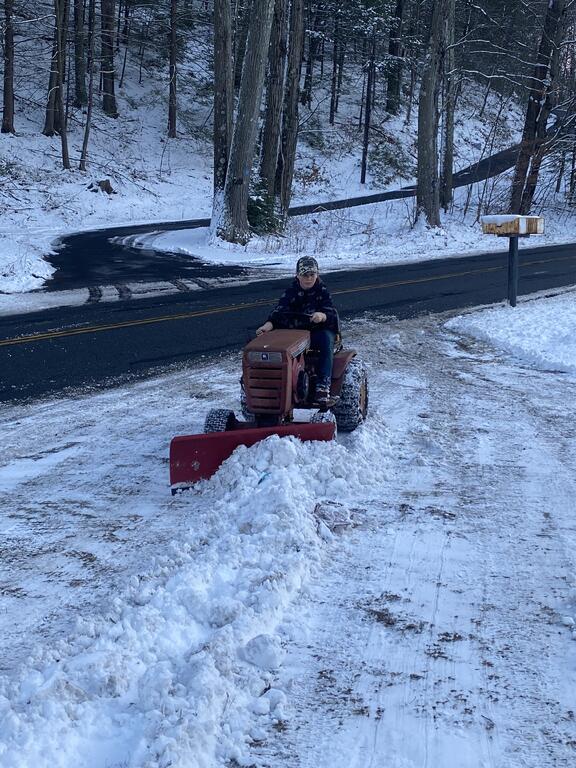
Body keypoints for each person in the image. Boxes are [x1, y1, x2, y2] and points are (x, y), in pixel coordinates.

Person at [256, 256, 339, 403]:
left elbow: (331, 313)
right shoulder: (291, 292)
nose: (309, 278)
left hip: (317, 331)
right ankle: (271, 384)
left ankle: (322, 385)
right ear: (297, 275)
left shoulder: (322, 291)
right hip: (295, 333)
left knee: (326, 341)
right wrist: (267, 326)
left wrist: (322, 316)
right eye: (305, 275)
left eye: (312, 274)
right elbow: (278, 313)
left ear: (317, 274)